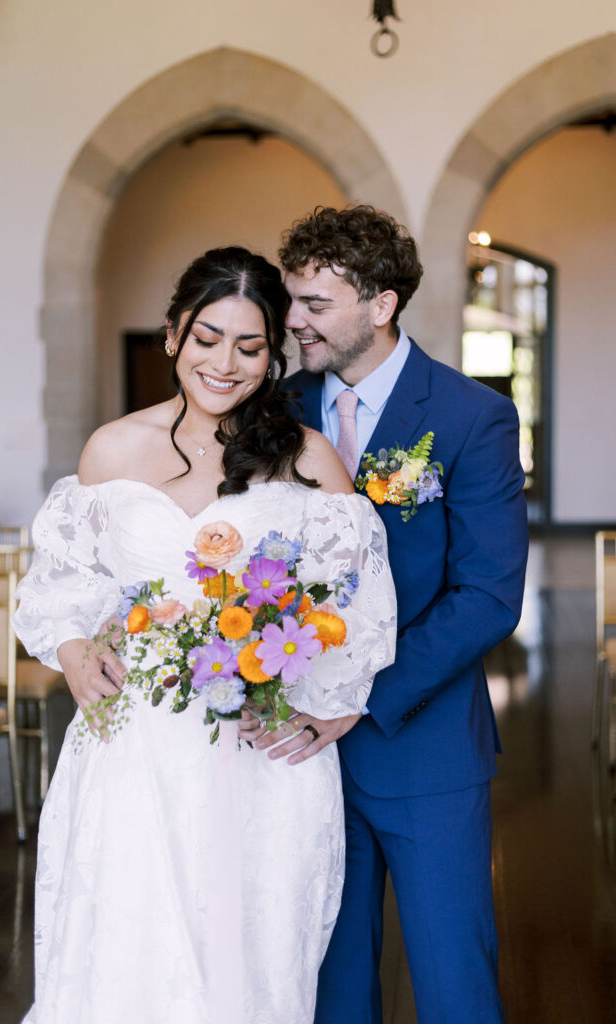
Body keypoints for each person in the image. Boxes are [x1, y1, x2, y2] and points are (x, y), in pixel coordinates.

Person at [13, 246, 397, 1024]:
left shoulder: (306, 459)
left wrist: (335, 701)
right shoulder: (110, 450)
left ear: (273, 355)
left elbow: (358, 602)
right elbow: (64, 586)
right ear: (171, 336)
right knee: (126, 939)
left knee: (248, 953)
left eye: (250, 347)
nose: (225, 363)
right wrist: (74, 650)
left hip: (256, 749)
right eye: (207, 338)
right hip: (132, 745)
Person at [239, 206, 528, 1023]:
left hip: (422, 745)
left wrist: (354, 693)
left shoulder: (471, 417)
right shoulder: (275, 408)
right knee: (325, 981)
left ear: (381, 303)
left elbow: (487, 595)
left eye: (314, 304)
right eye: (290, 299)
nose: (291, 320)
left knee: (451, 982)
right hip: (296, 751)